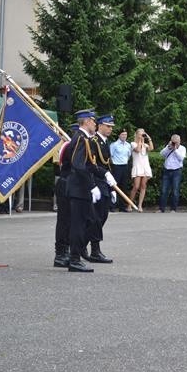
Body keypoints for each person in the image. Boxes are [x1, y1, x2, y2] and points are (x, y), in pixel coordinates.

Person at [65, 109, 101, 273]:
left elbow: (89, 165)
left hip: (80, 188)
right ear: (86, 122)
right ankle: (74, 260)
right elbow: (78, 165)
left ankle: (76, 256)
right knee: (78, 225)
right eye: (94, 121)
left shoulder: (83, 138)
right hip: (79, 189)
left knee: (89, 221)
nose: (95, 124)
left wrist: (105, 174)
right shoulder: (81, 139)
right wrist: (91, 185)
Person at [85, 114, 116, 263]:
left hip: (104, 182)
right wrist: (104, 175)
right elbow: (92, 164)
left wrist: (113, 188)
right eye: (108, 126)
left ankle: (82, 244)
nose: (110, 129)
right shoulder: (93, 141)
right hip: (96, 181)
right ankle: (94, 250)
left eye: (111, 127)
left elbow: (107, 163)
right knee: (97, 217)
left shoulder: (105, 142)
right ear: (100, 125)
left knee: (102, 216)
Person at [52, 123, 78, 268]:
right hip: (65, 185)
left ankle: (67, 250)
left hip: (72, 185)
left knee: (71, 221)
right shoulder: (68, 146)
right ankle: (60, 254)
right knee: (64, 221)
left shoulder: (74, 146)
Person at [158, 134, 186, 213]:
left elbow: (181, 158)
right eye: (173, 142)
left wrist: (175, 149)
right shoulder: (168, 147)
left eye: (176, 142)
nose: (175, 143)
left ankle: (173, 209)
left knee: (175, 191)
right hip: (167, 170)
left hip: (176, 171)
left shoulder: (182, 148)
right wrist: (168, 147)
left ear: (179, 141)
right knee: (164, 190)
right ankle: (161, 208)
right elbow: (161, 154)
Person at [129, 128, 153, 212]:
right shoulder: (133, 144)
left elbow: (151, 148)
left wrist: (148, 138)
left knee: (143, 186)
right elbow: (138, 150)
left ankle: (140, 205)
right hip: (137, 166)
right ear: (136, 135)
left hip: (145, 166)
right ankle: (129, 204)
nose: (141, 136)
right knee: (136, 186)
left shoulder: (145, 145)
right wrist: (139, 141)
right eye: (140, 134)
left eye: (143, 134)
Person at [109, 128, 132, 211]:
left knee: (124, 186)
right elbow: (110, 157)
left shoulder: (128, 145)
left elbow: (129, 156)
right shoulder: (114, 145)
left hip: (125, 166)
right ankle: (112, 206)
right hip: (116, 166)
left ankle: (122, 206)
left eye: (125, 134)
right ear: (119, 135)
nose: (124, 136)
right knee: (114, 186)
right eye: (122, 134)